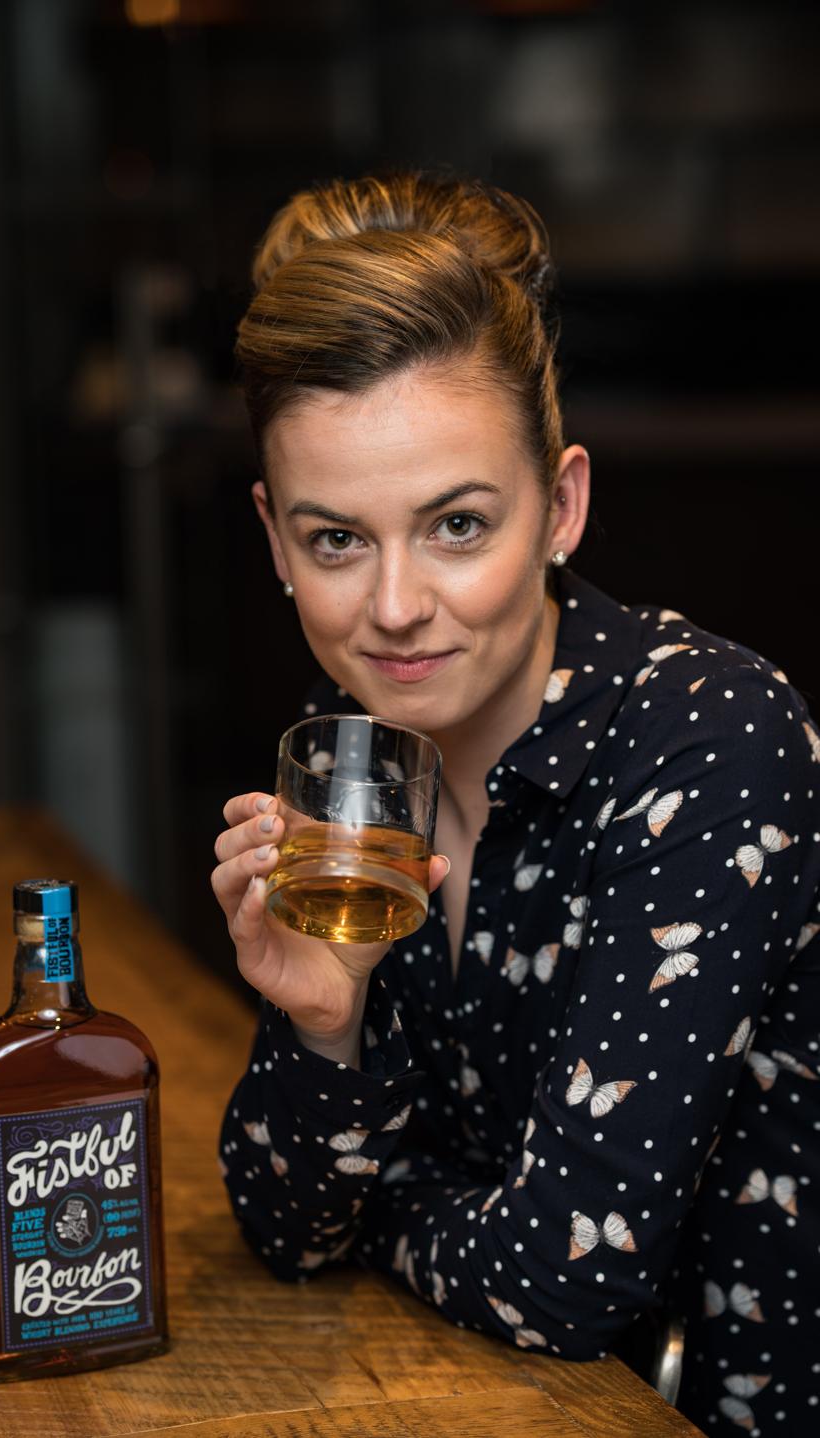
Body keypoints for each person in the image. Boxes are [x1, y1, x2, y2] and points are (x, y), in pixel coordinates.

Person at [212, 171, 820, 1437]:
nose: (393, 608)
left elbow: (563, 1279)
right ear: (274, 540)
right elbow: (285, 1230)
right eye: (335, 540)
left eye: (455, 524)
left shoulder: (707, 734)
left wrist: (389, 1208)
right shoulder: (350, 758)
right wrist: (322, 1024)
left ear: (561, 505)